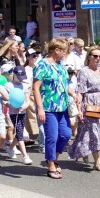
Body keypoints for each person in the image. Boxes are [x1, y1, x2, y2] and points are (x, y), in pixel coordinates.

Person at [68, 47, 100, 170]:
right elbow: (80, 92)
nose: (98, 59)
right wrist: (79, 110)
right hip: (89, 104)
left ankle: (81, 150)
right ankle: (97, 162)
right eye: (95, 56)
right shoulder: (84, 72)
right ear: (89, 57)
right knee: (94, 132)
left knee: (98, 132)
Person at [33, 38, 76, 179]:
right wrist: (40, 109)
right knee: (52, 136)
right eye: (63, 50)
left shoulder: (60, 65)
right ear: (56, 50)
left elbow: (64, 84)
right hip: (48, 107)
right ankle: (51, 165)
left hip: (62, 107)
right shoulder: (42, 65)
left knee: (66, 134)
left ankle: (54, 157)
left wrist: (73, 94)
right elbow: (36, 87)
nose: (65, 53)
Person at [4, 66, 33, 165]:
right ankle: (25, 156)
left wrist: (24, 106)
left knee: (19, 132)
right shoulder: (8, 85)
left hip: (22, 112)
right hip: (13, 112)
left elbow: (28, 100)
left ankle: (11, 148)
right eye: (18, 76)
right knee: (20, 133)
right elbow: (5, 100)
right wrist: (11, 105)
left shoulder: (24, 86)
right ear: (14, 75)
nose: (20, 79)